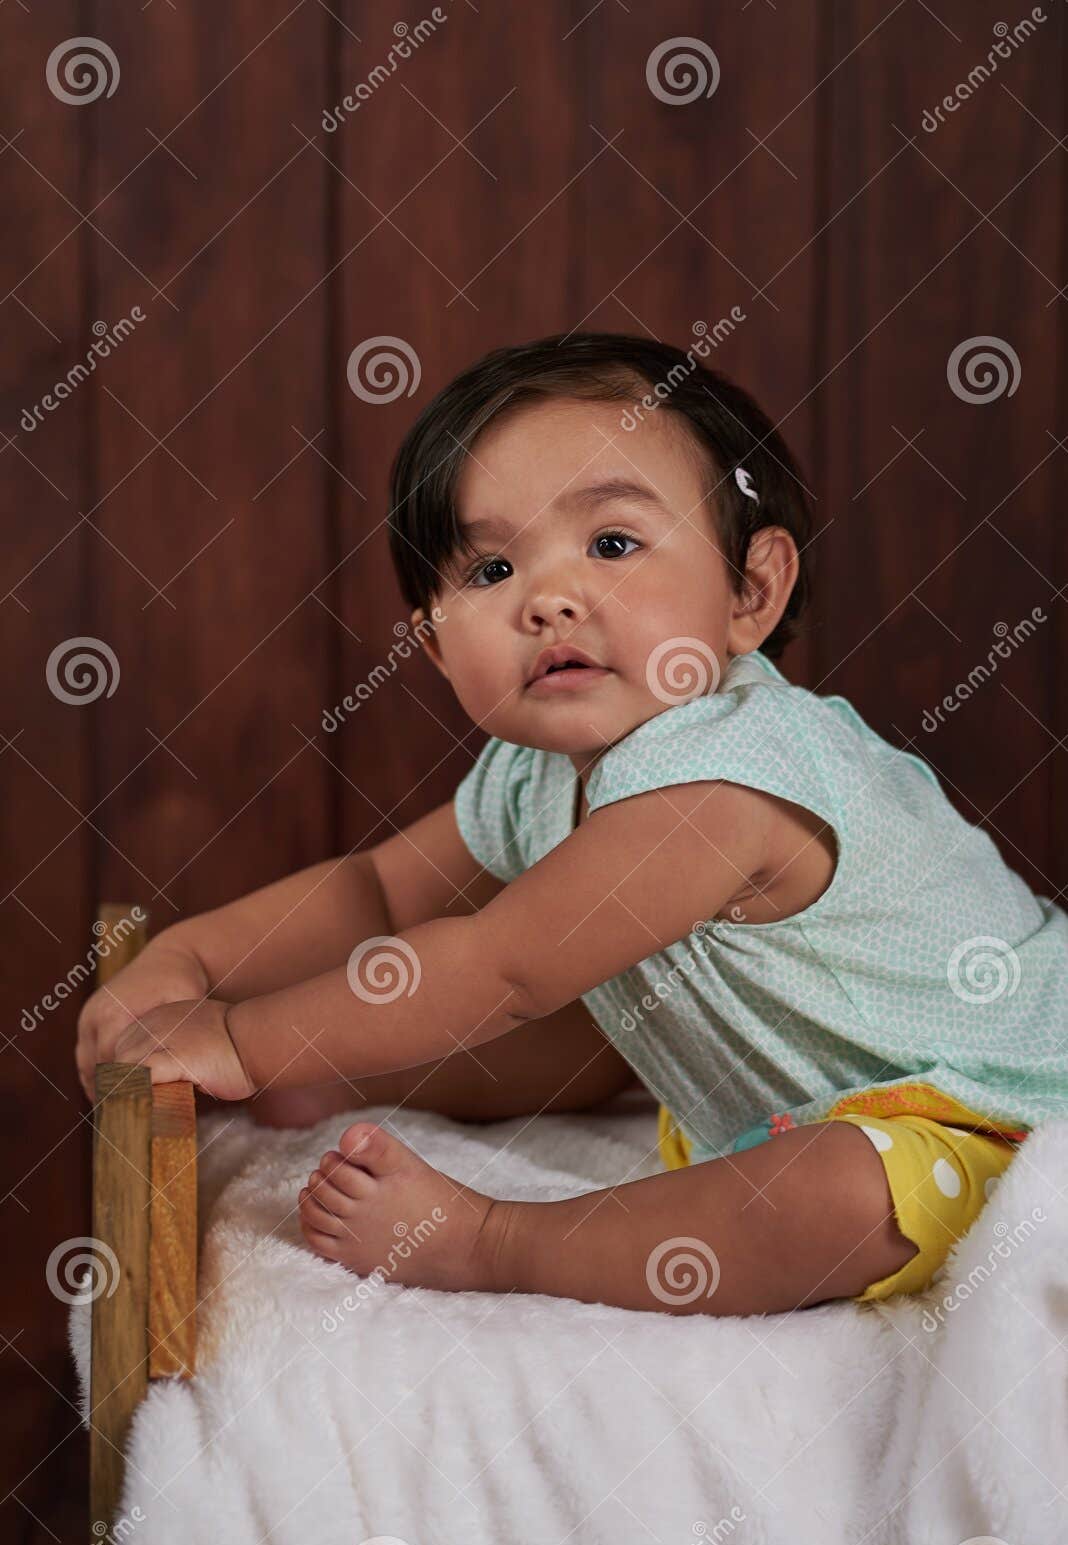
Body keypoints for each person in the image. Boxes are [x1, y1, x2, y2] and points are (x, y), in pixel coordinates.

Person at [77, 333, 1067, 1315]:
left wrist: (243, 1041)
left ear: (751, 591)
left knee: (842, 1191)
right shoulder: (533, 774)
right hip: (785, 1097)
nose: (549, 598)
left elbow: (501, 969)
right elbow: (375, 892)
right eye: (492, 570)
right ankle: (339, 1075)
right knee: (597, 1014)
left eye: (612, 544)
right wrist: (189, 963)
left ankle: (495, 1242)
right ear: (430, 642)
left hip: (992, 1114)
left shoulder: (730, 772)